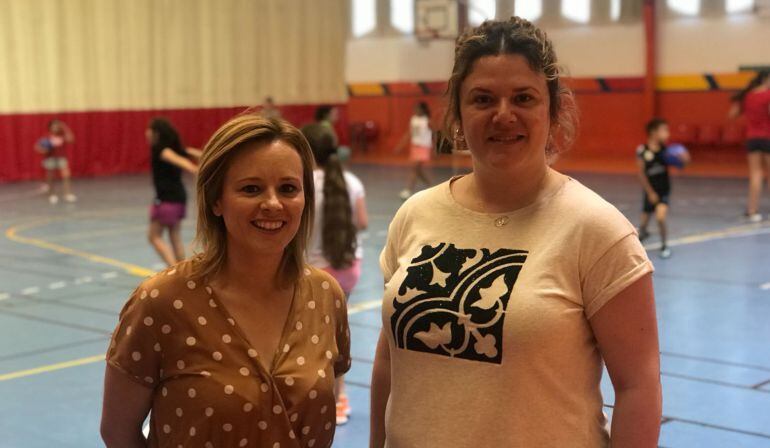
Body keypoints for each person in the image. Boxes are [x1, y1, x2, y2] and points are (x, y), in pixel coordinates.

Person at [370, 18, 661, 448]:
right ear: (457, 111)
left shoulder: (597, 230)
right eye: (483, 99)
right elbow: (388, 364)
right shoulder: (415, 214)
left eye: (523, 97)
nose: (503, 115)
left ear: (553, 108)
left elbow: (639, 386)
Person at [101, 114, 351, 448]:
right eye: (251, 188)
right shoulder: (161, 301)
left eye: (288, 188)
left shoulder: (325, 295)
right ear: (216, 200)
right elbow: (118, 432)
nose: (273, 203)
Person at [302, 123, 368, 425]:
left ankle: (331, 398)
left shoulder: (304, 183)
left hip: (317, 272)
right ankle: (340, 399)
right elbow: (364, 222)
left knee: (317, 340)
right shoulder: (351, 181)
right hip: (349, 269)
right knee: (337, 334)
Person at [146, 118, 201, 267]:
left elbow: (181, 161)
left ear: (156, 133)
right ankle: (182, 270)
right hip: (178, 199)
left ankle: (173, 270)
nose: (146, 133)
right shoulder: (175, 149)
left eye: (149, 130)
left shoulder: (164, 151)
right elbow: (193, 153)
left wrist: (194, 169)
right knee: (174, 236)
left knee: (154, 236)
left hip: (168, 200)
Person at [636, 118, 688, 259]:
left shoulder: (667, 150)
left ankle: (664, 245)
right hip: (650, 191)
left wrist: (684, 158)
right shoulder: (642, 150)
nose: (667, 133)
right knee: (643, 225)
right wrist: (650, 192)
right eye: (664, 130)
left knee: (660, 217)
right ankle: (643, 233)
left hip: (663, 190)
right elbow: (641, 174)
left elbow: (683, 163)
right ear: (653, 132)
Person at [729, 71, 770, 222]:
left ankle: (752, 211)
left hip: (752, 138)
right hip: (767, 137)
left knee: (755, 174)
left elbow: (732, 114)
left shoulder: (747, 96)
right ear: (765, 80)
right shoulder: (768, 94)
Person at [396, 102, 434, 199]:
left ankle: (408, 190)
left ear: (423, 110)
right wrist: (400, 145)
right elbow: (409, 133)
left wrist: (436, 148)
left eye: (418, 108)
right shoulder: (413, 119)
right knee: (418, 170)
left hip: (424, 147)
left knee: (415, 168)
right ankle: (432, 187)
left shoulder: (427, 120)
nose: (415, 111)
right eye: (415, 108)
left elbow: (434, 134)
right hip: (415, 147)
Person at [34, 119, 76, 204]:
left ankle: (67, 194)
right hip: (50, 159)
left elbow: (71, 139)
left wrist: (65, 127)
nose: (56, 128)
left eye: (57, 126)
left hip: (61, 158)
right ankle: (52, 194)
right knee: (50, 177)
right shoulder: (46, 136)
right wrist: (43, 150)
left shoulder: (62, 135)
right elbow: (37, 147)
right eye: (54, 126)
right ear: (50, 127)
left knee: (66, 175)